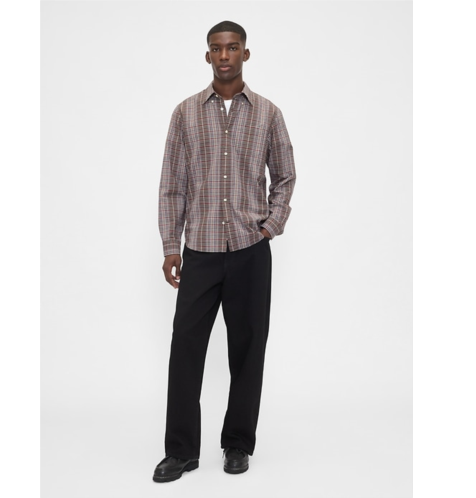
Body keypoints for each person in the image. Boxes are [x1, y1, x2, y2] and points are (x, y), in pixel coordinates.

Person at [153, 20, 296, 483]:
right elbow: (172, 185)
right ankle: (181, 452)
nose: (225, 55)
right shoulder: (185, 113)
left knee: (248, 350)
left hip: (250, 251)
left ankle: (238, 444)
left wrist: (270, 226)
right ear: (208, 56)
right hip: (200, 251)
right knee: (185, 349)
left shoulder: (268, 113)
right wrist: (171, 245)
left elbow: (285, 176)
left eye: (233, 47)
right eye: (217, 48)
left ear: (245, 54)